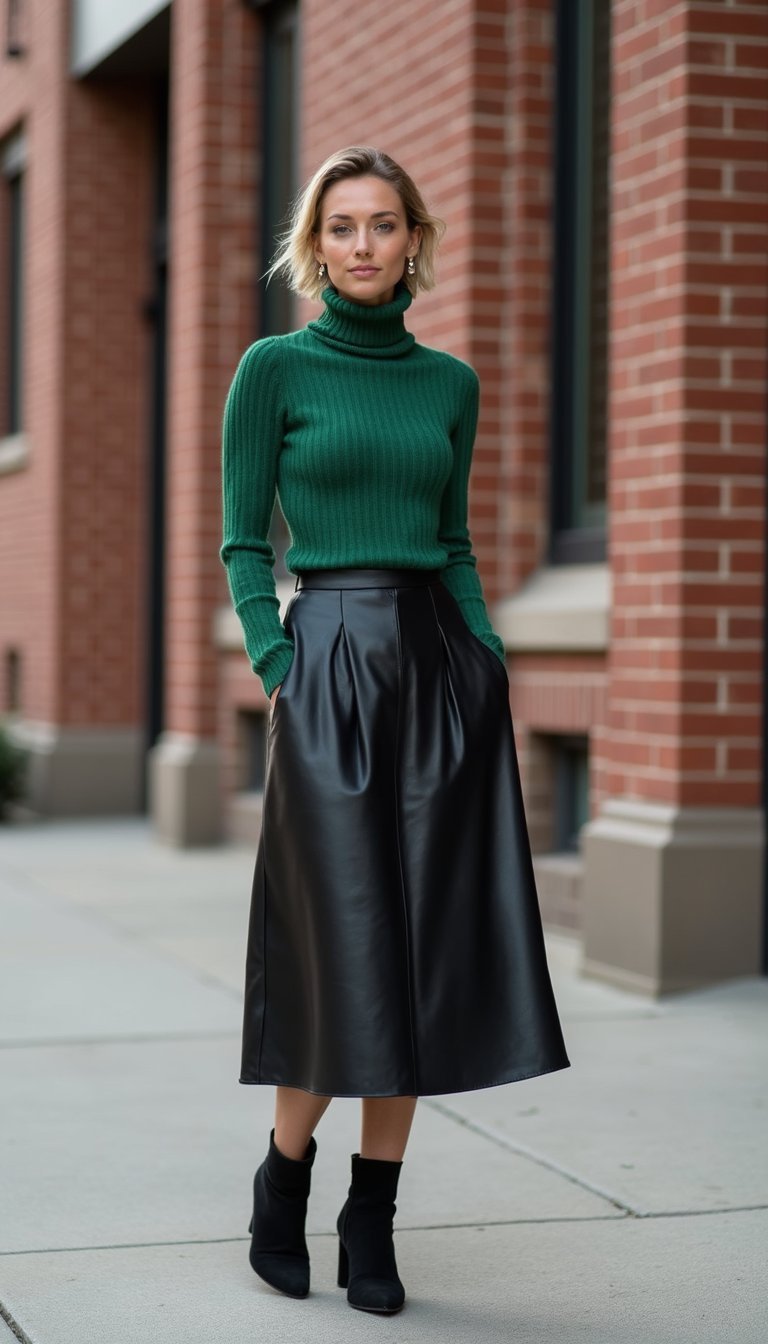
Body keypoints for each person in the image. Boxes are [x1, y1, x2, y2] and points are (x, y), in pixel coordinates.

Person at [220, 145, 569, 1316]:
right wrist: (278, 661)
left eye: (382, 224)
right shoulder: (273, 369)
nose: (362, 244)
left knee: (419, 954)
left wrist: (488, 660)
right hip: (329, 666)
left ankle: (374, 1210)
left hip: (437, 668)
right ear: (313, 247)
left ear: (415, 238)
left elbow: (458, 542)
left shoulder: (450, 385)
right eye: (340, 227)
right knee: (342, 944)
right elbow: (239, 542)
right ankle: (284, 1177)